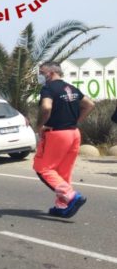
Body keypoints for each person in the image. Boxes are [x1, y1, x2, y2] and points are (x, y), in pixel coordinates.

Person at [34, 61, 95, 218]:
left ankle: (71, 195)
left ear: (51, 72)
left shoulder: (48, 88)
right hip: (73, 133)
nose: (41, 76)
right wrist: (76, 121)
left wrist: (39, 126)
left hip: (57, 134)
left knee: (43, 168)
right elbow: (89, 104)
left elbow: (46, 107)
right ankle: (62, 205)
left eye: (42, 72)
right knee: (63, 172)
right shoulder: (71, 88)